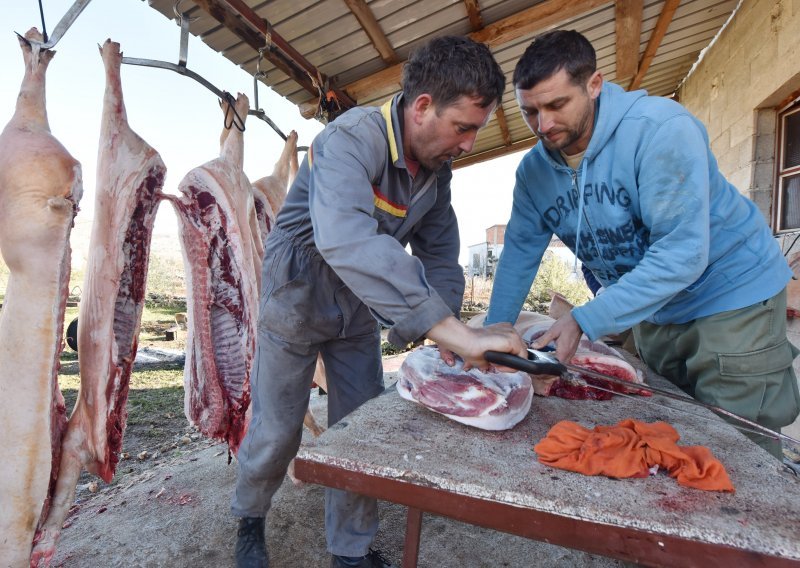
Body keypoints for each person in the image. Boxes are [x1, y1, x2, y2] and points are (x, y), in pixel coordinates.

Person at [232, 36, 526, 568]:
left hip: (357, 301)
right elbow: (344, 238)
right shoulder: (350, 138)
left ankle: (350, 549)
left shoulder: (437, 177)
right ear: (421, 108)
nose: (467, 143)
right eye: (463, 127)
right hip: (296, 289)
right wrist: (452, 332)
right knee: (277, 429)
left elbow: (439, 255)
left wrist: (450, 324)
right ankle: (249, 517)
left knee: (362, 427)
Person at [485, 29, 800, 460]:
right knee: (667, 433)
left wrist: (586, 318)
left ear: (594, 85)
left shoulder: (660, 129)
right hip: (654, 304)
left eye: (557, 105)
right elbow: (520, 254)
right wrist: (494, 333)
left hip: (730, 294)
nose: (544, 125)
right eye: (530, 111)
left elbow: (682, 254)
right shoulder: (534, 172)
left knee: (739, 451)